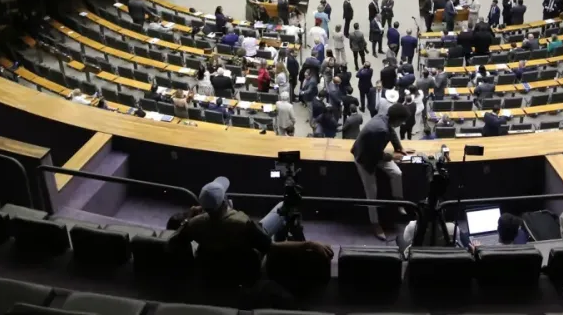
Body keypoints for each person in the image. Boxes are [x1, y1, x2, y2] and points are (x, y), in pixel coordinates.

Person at [168, 177, 334, 268]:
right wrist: (309, 244)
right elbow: (271, 248)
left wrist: (189, 218)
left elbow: (172, 242)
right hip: (250, 254)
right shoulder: (242, 223)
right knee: (286, 206)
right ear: (224, 200)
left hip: (218, 266)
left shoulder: (194, 224)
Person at [352, 104, 414, 240]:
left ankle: (398, 203)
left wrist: (399, 148)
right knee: (371, 193)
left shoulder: (385, 117)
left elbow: (392, 133)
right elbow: (374, 154)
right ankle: (375, 224)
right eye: (402, 121)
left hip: (375, 152)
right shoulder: (380, 130)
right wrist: (392, 156)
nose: (402, 124)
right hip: (364, 158)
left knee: (397, 173)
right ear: (397, 120)